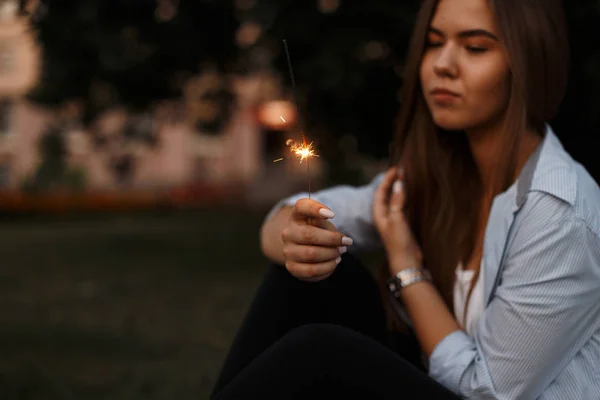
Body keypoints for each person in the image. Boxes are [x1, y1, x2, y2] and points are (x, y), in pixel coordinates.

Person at [211, 0, 600, 398]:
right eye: (434, 43)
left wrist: (406, 266)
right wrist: (295, 238)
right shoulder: (438, 176)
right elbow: (294, 220)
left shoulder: (558, 212)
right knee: (305, 278)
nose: (442, 65)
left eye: (475, 48)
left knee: (322, 352)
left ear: (529, 61)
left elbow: (486, 391)